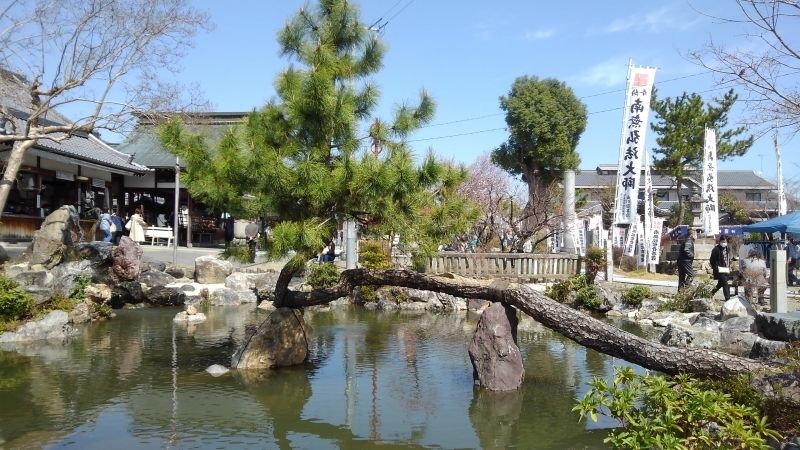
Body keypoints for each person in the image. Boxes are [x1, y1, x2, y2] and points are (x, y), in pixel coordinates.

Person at [710, 236, 732, 301]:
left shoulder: (727, 249)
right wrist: (716, 267)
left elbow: (728, 258)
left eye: (725, 242)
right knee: (725, 282)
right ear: (720, 242)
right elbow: (712, 260)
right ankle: (727, 298)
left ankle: (711, 293)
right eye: (722, 242)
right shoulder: (716, 249)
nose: (724, 243)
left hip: (726, 269)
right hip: (719, 270)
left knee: (720, 284)